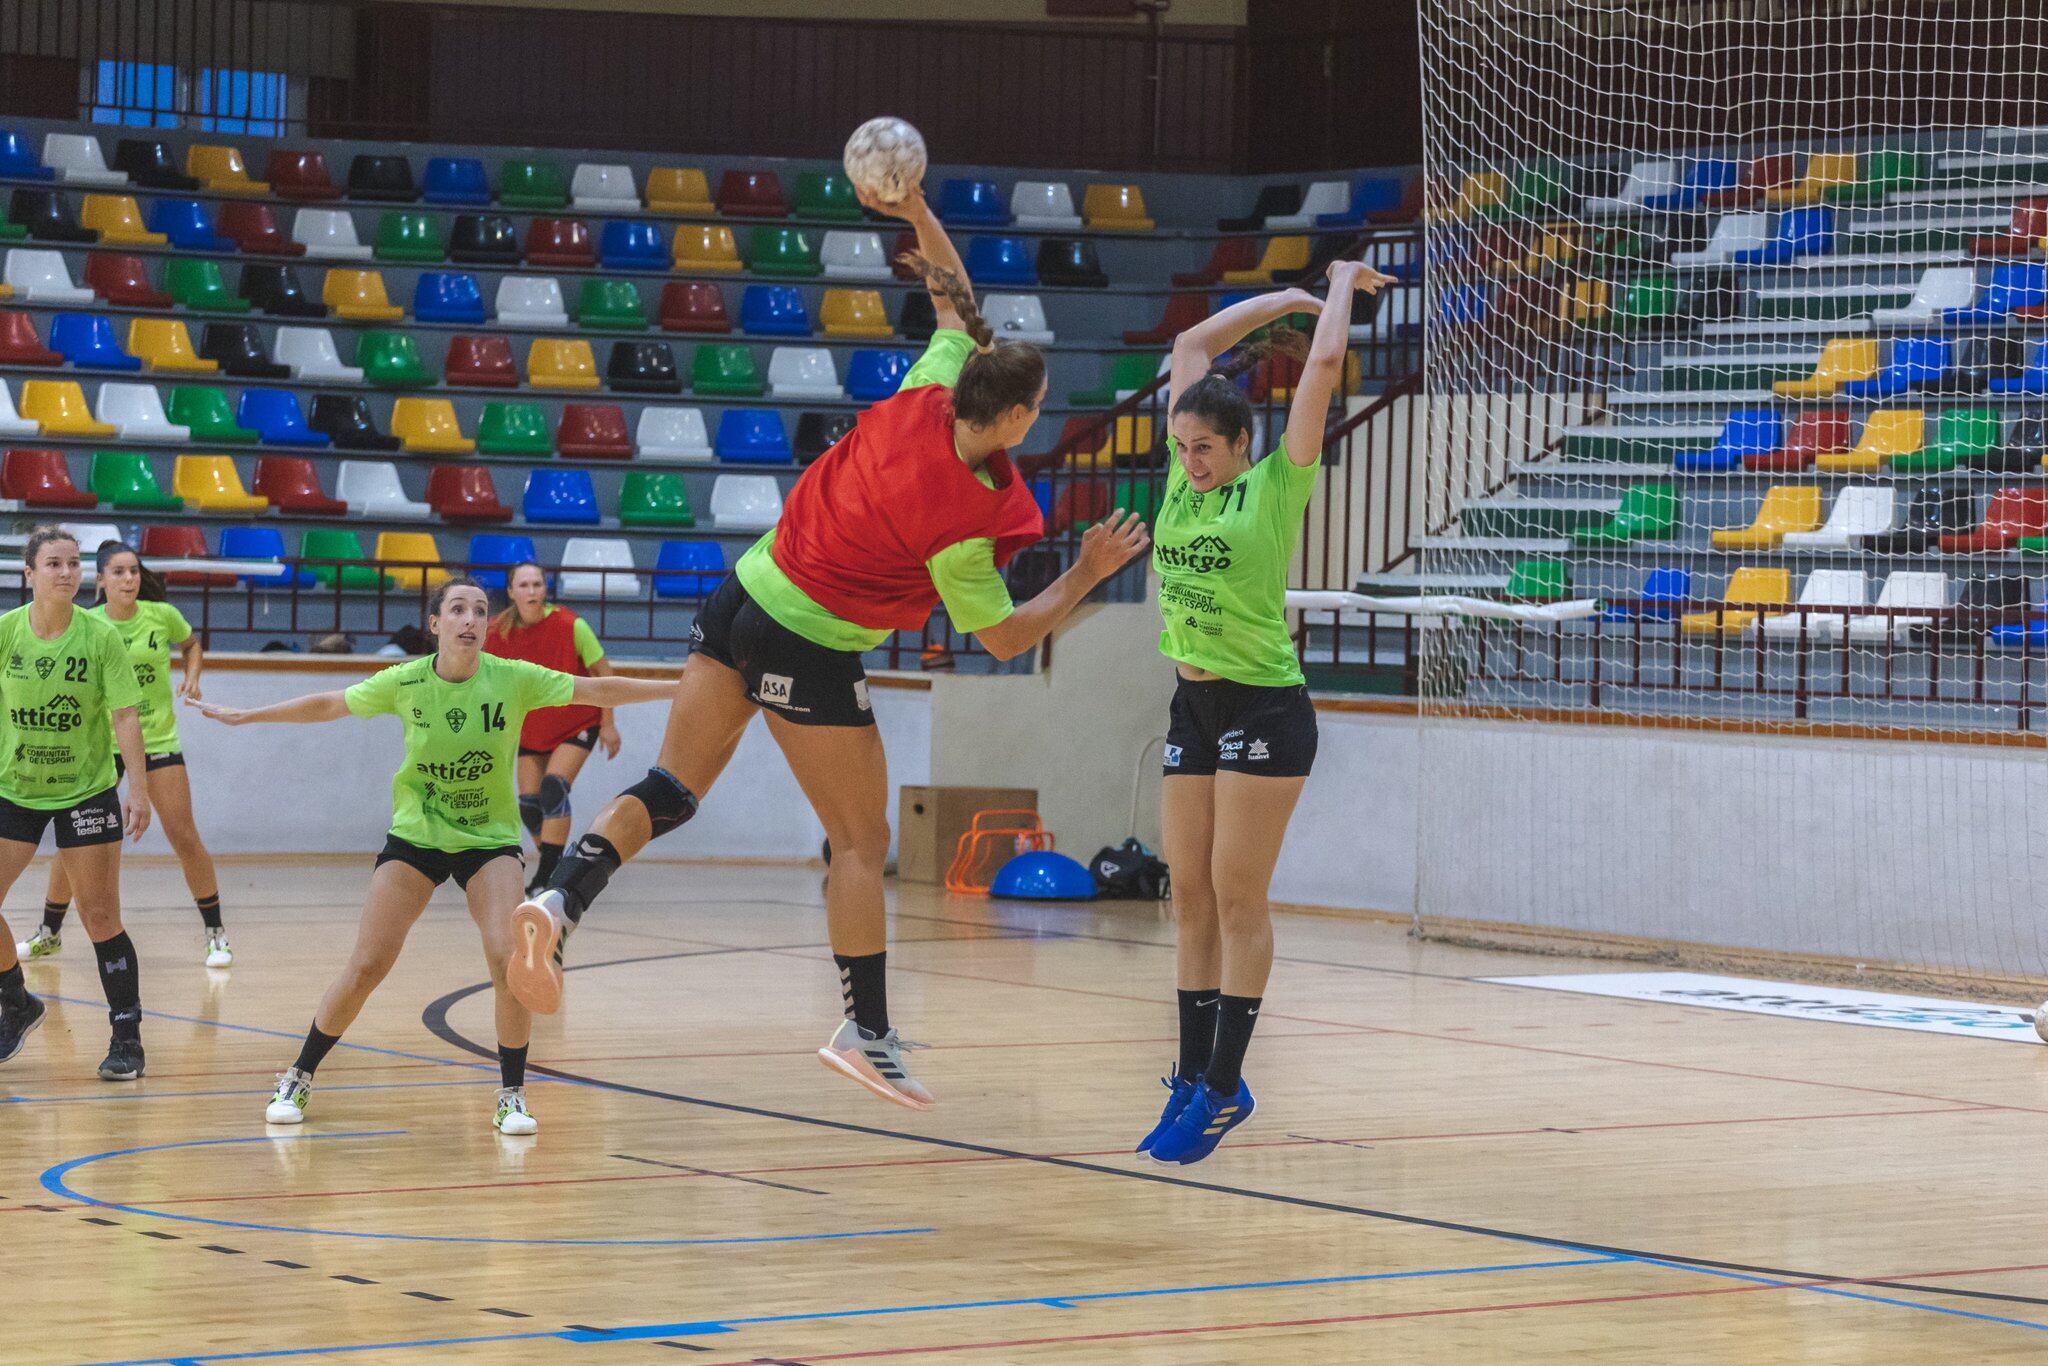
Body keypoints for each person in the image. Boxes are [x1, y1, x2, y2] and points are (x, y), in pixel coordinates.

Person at [505, 179, 1150, 1111]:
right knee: (860, 840)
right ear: (1013, 418)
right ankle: (867, 1029)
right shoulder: (968, 522)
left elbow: (953, 299)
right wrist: (1085, 575)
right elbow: (1006, 636)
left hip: (740, 593)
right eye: (1036, 407)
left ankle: (559, 900)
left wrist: (917, 206)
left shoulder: (927, 387)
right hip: (803, 642)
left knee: (671, 789)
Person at [193, 577, 676, 1134]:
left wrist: (680, 688)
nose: (470, 619)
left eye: (478, 611)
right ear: (435, 624)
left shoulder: (514, 678)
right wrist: (250, 716)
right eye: (457, 609)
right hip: (417, 837)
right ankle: (298, 1075)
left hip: (487, 841)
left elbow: (600, 690)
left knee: (507, 960)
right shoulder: (405, 682)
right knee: (369, 963)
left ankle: (512, 1094)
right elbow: (329, 703)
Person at [1139, 260, 1392, 1165]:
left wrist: (1331, 291)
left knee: (1239, 896)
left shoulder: (1274, 486)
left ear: (1239, 446)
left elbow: (1319, 376)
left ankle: (1222, 1084)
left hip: (1266, 707)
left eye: (1203, 447)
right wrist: (1279, 301)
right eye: (1181, 447)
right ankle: (1195, 1072)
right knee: (1191, 896)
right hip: (1193, 705)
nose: (1189, 460)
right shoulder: (1180, 487)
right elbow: (1191, 347)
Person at [17, 541, 227, 968]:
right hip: (100, 750)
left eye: (134, 571)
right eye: (119, 572)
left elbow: (191, 645)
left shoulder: (161, 616)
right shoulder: (88, 625)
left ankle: (215, 931)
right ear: (101, 580)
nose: (129, 579)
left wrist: (193, 677)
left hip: (157, 741)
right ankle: (49, 932)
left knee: (184, 836)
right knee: (72, 845)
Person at [0, 526, 153, 1078]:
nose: (68, 572)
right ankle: (16, 1001)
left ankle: (126, 1037)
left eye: (74, 563)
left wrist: (138, 789)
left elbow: (125, 716)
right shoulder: (7, 633)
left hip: (85, 791)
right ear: (30, 574)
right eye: (55, 564)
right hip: (16, 788)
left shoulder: (99, 636)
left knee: (99, 914)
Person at [485, 562, 621, 895]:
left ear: (546, 589)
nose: (531, 591)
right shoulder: (496, 632)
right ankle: (561, 866)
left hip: (577, 721)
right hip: (532, 728)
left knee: (553, 789)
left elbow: (604, 674)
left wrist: (609, 723)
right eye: (524, 585)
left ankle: (546, 879)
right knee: (529, 807)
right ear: (511, 592)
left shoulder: (571, 625)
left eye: (537, 584)